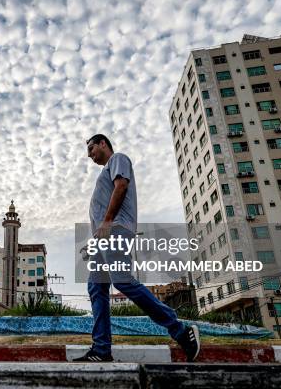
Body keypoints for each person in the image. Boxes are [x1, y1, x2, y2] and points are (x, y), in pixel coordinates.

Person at [73, 134, 200, 362]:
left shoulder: (118, 159)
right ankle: (101, 350)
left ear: (103, 144)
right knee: (96, 288)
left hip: (116, 230)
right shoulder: (103, 173)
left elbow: (121, 186)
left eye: (91, 148)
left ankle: (180, 331)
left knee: (122, 281)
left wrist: (108, 221)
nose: (89, 154)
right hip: (104, 238)